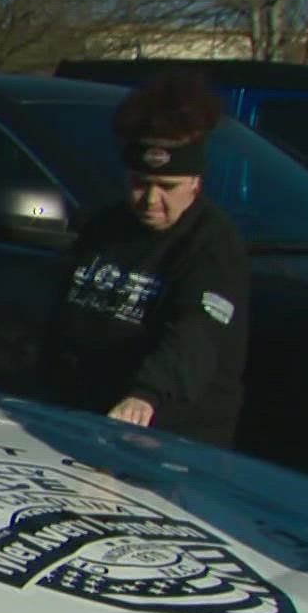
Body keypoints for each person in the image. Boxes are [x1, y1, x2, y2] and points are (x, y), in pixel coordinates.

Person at [38, 70, 249, 447]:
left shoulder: (213, 244)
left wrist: (146, 395)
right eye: (139, 184)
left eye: (167, 188)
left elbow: (197, 334)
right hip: (84, 424)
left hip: (166, 440)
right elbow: (61, 318)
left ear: (195, 183)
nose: (151, 201)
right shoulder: (105, 229)